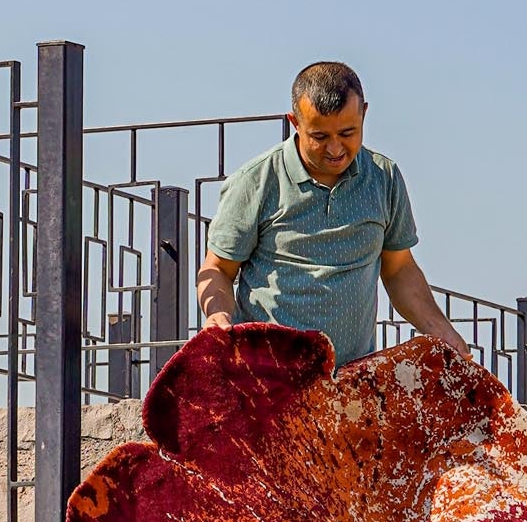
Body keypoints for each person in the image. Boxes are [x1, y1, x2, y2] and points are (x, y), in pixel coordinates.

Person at [197, 60, 470, 366]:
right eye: (320, 137)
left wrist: (441, 331)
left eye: (347, 132)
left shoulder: (384, 178)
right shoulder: (256, 182)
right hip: (269, 378)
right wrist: (217, 316)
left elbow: (398, 269)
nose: (335, 149)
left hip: (351, 382)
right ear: (295, 122)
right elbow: (218, 269)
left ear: (364, 114)